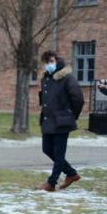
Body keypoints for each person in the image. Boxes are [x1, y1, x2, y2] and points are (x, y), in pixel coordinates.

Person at [37, 50, 84, 191]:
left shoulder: (67, 78)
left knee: (59, 154)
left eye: (51, 61)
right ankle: (71, 173)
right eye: (46, 62)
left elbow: (78, 99)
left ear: (57, 61)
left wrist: (71, 115)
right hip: (48, 120)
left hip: (62, 121)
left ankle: (51, 183)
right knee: (47, 149)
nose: (48, 65)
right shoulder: (46, 78)